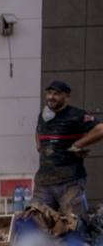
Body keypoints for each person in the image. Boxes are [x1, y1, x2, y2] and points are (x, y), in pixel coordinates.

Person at [33, 80, 103, 217]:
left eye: (56, 94)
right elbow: (38, 130)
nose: (51, 97)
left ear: (66, 96)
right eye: (49, 93)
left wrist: (79, 144)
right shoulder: (43, 116)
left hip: (69, 182)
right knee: (38, 224)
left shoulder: (76, 115)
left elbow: (100, 129)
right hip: (44, 182)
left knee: (74, 225)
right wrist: (39, 145)